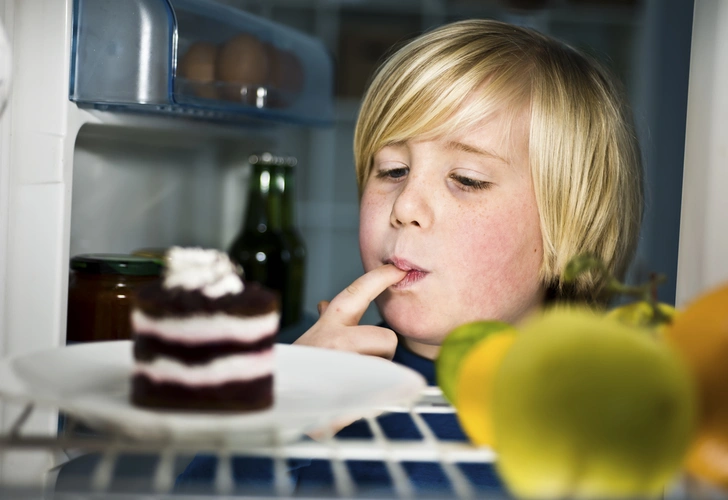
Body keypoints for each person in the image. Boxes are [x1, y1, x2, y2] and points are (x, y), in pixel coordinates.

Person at [176, 18, 643, 496]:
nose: (405, 207)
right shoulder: (305, 368)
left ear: (571, 223)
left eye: (467, 179)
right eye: (392, 170)